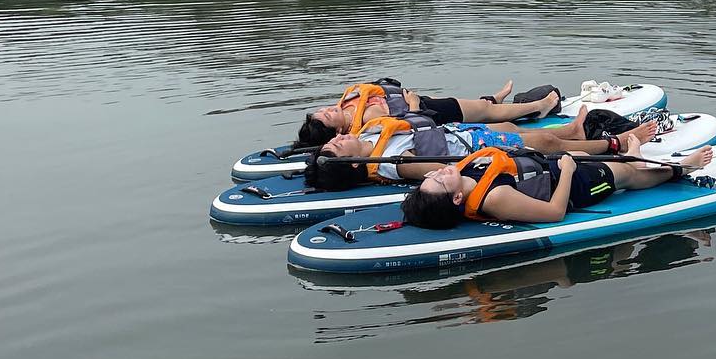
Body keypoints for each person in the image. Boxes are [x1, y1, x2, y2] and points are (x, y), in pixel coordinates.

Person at [303, 109, 662, 192]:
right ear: (352, 164)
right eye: (336, 147)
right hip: (473, 148)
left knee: (515, 128)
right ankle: (618, 143)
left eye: (333, 140)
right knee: (546, 144)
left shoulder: (373, 130)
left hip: (460, 133)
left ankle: (573, 128)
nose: (335, 140)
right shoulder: (394, 163)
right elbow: (440, 169)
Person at [400, 142, 693, 230]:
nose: (438, 172)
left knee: (582, 154)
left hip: (552, 167)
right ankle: (680, 169)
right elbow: (555, 212)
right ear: (457, 198)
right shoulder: (495, 198)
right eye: (440, 181)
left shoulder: (466, 172)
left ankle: (637, 160)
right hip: (576, 186)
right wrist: (567, 171)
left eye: (432, 176)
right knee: (627, 175)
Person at [295, 77, 561, 149]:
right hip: (429, 113)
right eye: (327, 116)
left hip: (424, 101)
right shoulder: (366, 123)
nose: (328, 109)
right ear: (339, 132)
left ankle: (494, 98)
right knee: (486, 113)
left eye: (323, 110)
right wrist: (411, 103)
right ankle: (540, 106)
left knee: (481, 108)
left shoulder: (348, 106)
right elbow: (407, 125)